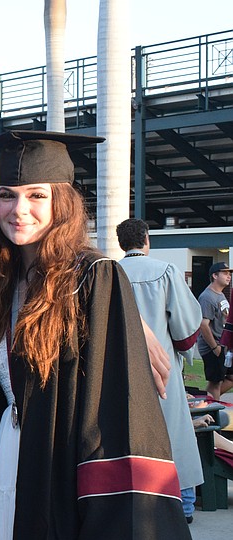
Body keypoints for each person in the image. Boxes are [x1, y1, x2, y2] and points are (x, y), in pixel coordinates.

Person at [0, 130, 198, 540]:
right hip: (10, 458)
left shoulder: (92, 277)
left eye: (36, 195)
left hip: (65, 474)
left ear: (62, 201)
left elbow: (116, 411)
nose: (19, 210)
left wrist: (110, 538)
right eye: (7, 195)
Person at [117, 217, 204, 522]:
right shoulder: (165, 271)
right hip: (162, 370)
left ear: (120, 243)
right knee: (174, 438)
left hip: (120, 371)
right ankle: (182, 507)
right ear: (146, 239)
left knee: (128, 439)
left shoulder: (108, 274)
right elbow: (185, 330)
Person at [197, 261, 233, 400]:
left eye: (229, 273)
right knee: (215, 382)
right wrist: (215, 347)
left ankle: (205, 401)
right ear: (215, 275)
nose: (228, 276)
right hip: (213, 346)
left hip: (224, 346)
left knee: (230, 378)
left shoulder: (220, 295)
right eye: (225, 273)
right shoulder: (207, 297)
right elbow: (204, 325)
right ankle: (211, 410)